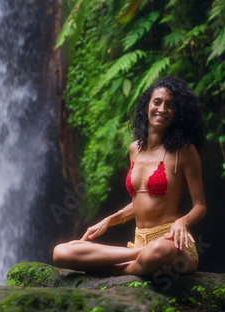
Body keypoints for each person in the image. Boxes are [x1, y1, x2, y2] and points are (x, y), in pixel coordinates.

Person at [53, 76, 207, 276]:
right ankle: (136, 259)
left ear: (177, 113)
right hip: (139, 243)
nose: (162, 109)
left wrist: (182, 222)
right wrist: (108, 220)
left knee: (160, 250)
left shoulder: (185, 151)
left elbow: (200, 206)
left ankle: (109, 268)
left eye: (170, 105)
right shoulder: (135, 149)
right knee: (62, 252)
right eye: (157, 102)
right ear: (147, 106)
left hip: (169, 242)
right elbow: (140, 202)